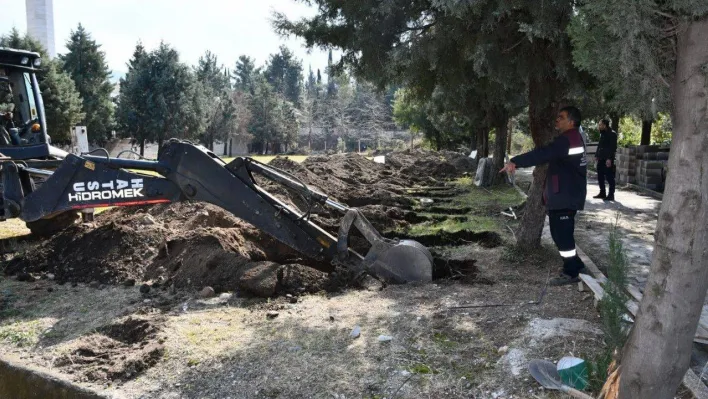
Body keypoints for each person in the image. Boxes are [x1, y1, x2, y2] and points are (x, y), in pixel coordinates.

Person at [499, 106, 588, 286]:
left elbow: (543, 154)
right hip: (567, 194)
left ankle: (571, 272)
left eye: (561, 117)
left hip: (565, 196)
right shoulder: (574, 138)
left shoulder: (567, 140)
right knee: (561, 234)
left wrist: (516, 161)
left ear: (571, 121)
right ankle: (577, 265)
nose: (557, 120)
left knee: (562, 236)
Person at [593, 119, 618, 201]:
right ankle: (602, 192)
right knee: (600, 176)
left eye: (600, 125)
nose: (599, 126)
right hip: (601, 158)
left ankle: (611, 195)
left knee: (609, 177)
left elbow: (613, 148)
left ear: (604, 125)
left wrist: (609, 159)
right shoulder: (602, 133)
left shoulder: (612, 134)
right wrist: (596, 155)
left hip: (607, 159)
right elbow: (599, 145)